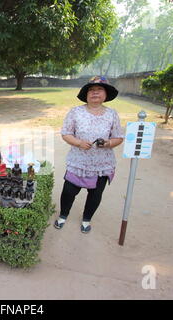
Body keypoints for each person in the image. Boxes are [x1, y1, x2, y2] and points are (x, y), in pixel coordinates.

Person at [54, 76, 124, 233]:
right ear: (86, 94)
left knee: (95, 194)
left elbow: (118, 137)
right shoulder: (75, 112)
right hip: (78, 162)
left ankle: (86, 219)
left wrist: (108, 143)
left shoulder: (112, 114)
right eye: (91, 90)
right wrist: (78, 143)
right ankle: (63, 215)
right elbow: (66, 133)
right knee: (68, 192)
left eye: (99, 90)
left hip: (102, 164)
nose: (95, 93)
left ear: (106, 95)